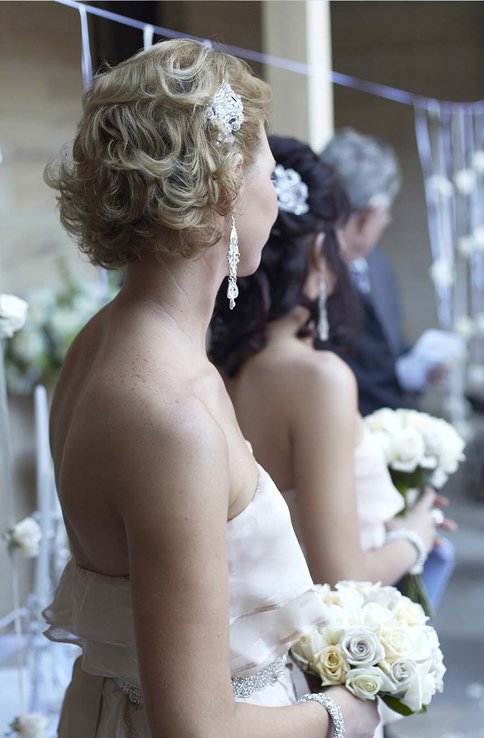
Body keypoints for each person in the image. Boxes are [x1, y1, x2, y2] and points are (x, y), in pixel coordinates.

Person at [42, 41, 379, 738]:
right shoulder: (170, 416)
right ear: (226, 182)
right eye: (266, 167)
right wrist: (340, 712)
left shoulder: (98, 343)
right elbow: (196, 726)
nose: (273, 195)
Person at [210, 134, 450, 591]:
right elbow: (342, 577)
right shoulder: (319, 379)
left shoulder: (218, 367)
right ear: (321, 254)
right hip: (324, 632)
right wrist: (416, 535)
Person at [320, 128, 449, 417]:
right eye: (385, 212)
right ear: (370, 213)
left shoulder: (379, 265)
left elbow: (387, 347)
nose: (387, 220)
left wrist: (420, 366)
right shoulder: (308, 274)